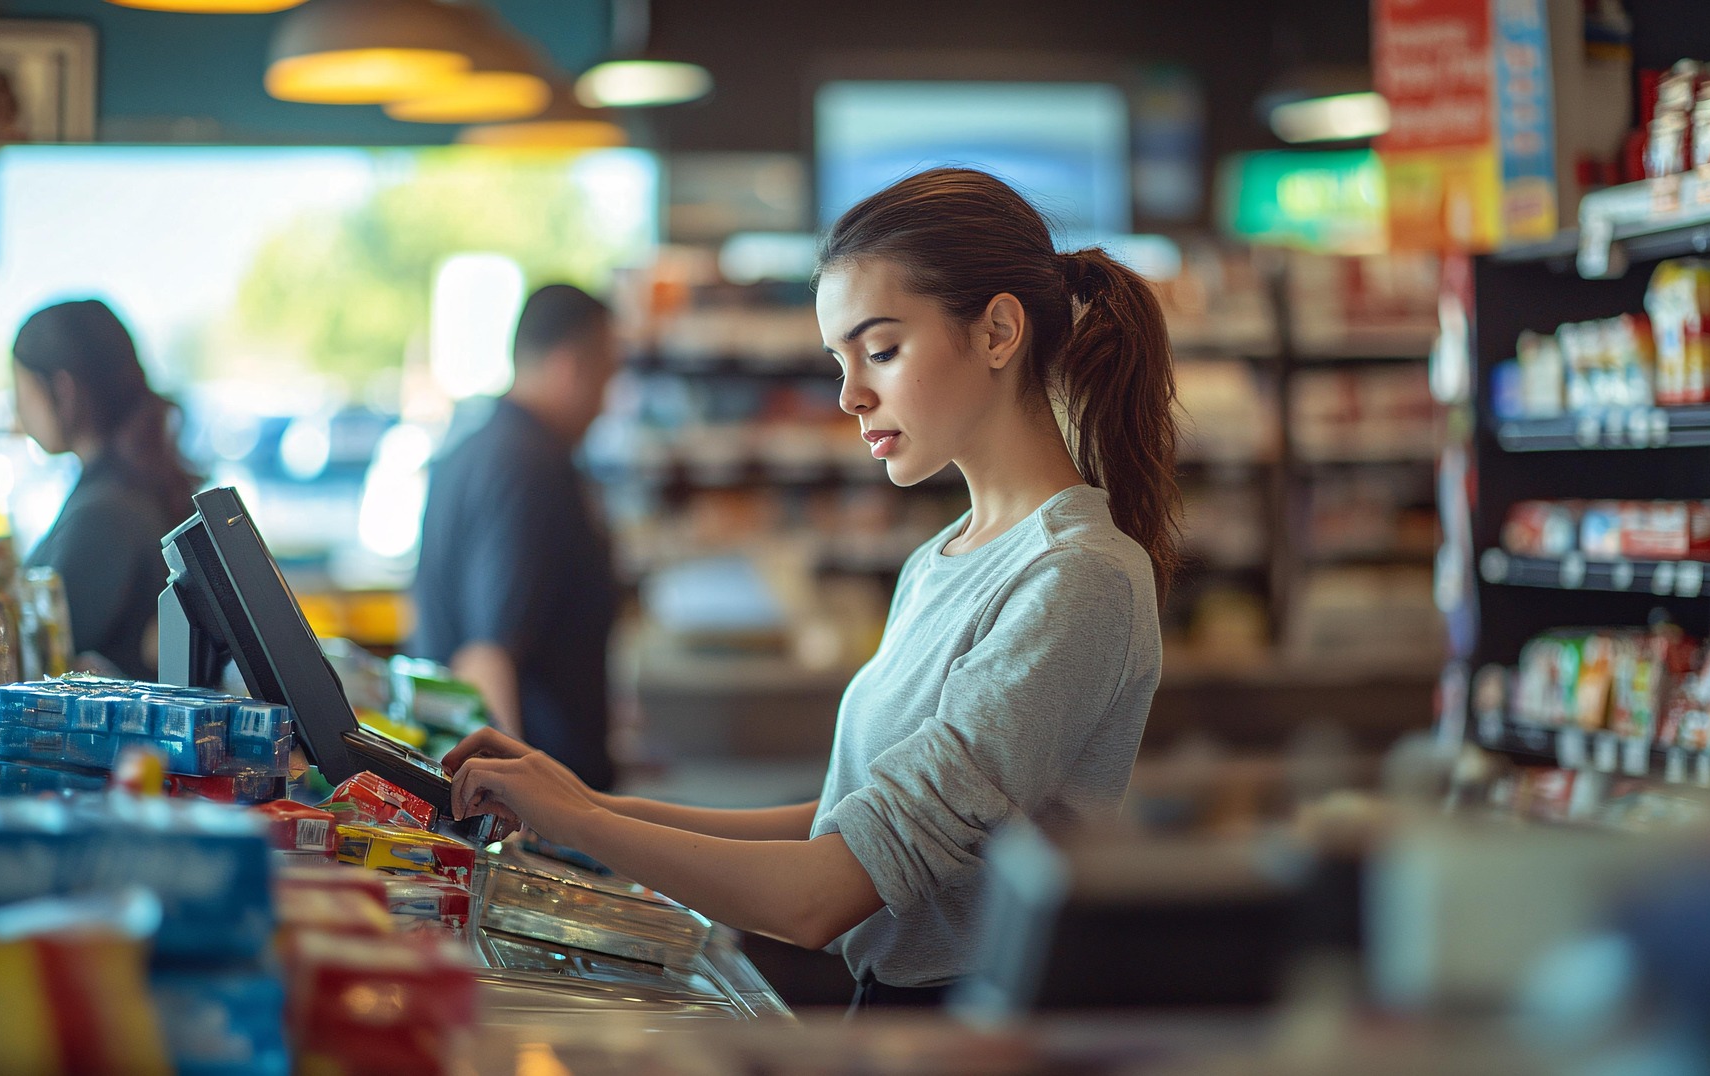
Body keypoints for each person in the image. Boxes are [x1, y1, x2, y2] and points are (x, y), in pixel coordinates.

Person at [441, 168, 1179, 1007]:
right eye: (840, 358)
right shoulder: (941, 557)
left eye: (883, 349)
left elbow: (820, 894)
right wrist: (579, 802)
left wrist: (587, 827)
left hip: (966, 1032)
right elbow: (847, 819)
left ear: (999, 330)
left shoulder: (1078, 577)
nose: (849, 394)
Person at [411, 284, 622, 792]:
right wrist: (512, 807)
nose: (606, 404)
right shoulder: (531, 465)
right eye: (606, 378)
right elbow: (486, 651)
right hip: (539, 811)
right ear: (572, 368)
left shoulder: (471, 448)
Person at [13, 299, 201, 681]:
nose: (16, 413)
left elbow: (34, 657)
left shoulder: (107, 513)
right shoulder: (132, 485)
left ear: (62, 389)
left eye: (20, 391)